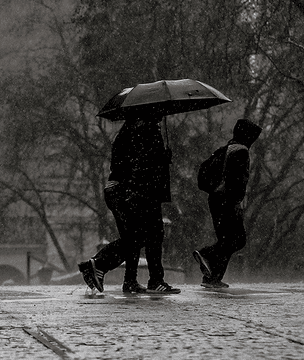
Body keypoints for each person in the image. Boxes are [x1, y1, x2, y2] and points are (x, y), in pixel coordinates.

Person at [78, 115, 180, 294]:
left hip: (126, 190)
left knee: (136, 236)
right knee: (144, 235)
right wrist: (162, 159)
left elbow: (132, 163)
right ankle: (100, 265)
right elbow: (142, 165)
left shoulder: (129, 132)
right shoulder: (144, 132)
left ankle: (129, 279)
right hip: (133, 191)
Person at [193, 118, 262, 288]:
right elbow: (235, 180)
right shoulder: (241, 151)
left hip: (217, 199)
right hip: (227, 200)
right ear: (248, 136)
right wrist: (235, 202)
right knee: (236, 240)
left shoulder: (226, 148)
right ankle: (206, 254)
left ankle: (213, 277)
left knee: (228, 240)